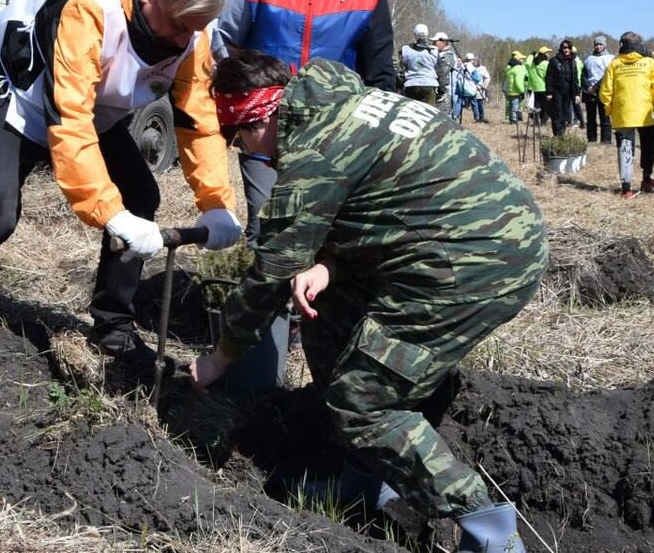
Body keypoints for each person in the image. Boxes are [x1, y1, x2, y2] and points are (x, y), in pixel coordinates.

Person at [191, 49, 547, 553]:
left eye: (240, 134)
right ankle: (361, 482)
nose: (244, 149)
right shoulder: (342, 103)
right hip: (487, 237)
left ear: (264, 114)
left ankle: (490, 531)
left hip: (469, 265)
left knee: (362, 401)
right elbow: (386, 208)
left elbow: (266, 278)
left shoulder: (314, 153)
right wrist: (326, 266)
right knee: (327, 313)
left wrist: (217, 359)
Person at [0, 0, 243, 394]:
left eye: (195, 29)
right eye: (178, 26)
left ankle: (113, 329)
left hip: (88, 107)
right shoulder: (88, 2)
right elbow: (68, 118)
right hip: (6, 89)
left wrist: (216, 203)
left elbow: (198, 120)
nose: (185, 39)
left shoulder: (193, 32)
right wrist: (110, 213)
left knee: (141, 194)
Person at [214, 0, 396, 243]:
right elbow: (225, 40)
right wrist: (237, 99)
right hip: (263, 121)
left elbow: (379, 68)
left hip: (333, 131)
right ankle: (262, 296)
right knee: (266, 224)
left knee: (325, 229)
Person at [599, 32, 654, 199]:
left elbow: (605, 91)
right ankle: (646, 179)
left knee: (625, 148)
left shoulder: (615, 64)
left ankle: (626, 188)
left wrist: (610, 110)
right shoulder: (649, 62)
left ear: (622, 45)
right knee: (648, 146)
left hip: (622, 113)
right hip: (644, 113)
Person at [544, 40, 582, 136]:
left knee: (565, 115)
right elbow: (549, 77)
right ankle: (557, 135)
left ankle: (562, 134)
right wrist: (549, 92)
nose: (566, 50)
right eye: (564, 48)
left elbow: (575, 79)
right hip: (557, 91)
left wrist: (577, 93)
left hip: (568, 92)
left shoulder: (573, 62)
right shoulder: (554, 61)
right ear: (561, 49)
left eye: (568, 48)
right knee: (557, 114)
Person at [581, 36, 614, 143]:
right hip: (589, 91)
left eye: (600, 45)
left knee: (605, 117)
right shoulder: (588, 59)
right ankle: (591, 139)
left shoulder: (611, 58)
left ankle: (606, 140)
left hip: (604, 90)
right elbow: (583, 75)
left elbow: (608, 75)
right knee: (591, 118)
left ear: (605, 45)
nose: (598, 47)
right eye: (596, 45)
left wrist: (597, 87)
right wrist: (588, 87)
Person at [400, 23, 439, 105]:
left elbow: (402, 67)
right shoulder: (434, 50)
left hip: (411, 84)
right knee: (429, 114)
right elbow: (438, 68)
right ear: (427, 34)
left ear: (415, 35)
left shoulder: (405, 49)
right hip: (429, 84)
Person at [433, 31, 458, 114]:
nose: (433, 44)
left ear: (443, 43)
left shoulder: (447, 56)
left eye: (435, 42)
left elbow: (442, 73)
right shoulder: (440, 55)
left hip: (445, 94)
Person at [525, 46, 550, 125]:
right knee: (546, 106)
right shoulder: (545, 63)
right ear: (544, 54)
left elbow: (531, 75)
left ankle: (535, 121)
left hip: (536, 88)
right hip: (544, 87)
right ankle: (543, 122)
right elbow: (548, 76)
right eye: (547, 53)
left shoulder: (533, 64)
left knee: (536, 106)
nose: (549, 55)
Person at [503, 51, 528, 123]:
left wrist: (526, 82)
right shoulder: (518, 67)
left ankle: (513, 118)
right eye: (522, 58)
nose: (523, 60)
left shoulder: (511, 67)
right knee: (516, 106)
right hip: (518, 89)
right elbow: (520, 80)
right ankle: (515, 119)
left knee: (512, 105)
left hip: (511, 90)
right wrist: (523, 89)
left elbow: (526, 76)